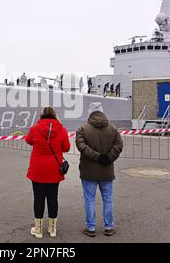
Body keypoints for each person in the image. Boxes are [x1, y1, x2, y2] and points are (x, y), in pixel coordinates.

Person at [75, 102, 123, 237]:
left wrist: (97, 157)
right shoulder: (113, 129)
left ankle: (90, 227)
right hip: (107, 171)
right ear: (102, 112)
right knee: (107, 198)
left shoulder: (82, 129)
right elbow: (119, 145)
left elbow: (81, 146)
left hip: (88, 171)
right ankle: (109, 226)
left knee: (89, 199)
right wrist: (107, 158)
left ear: (90, 112)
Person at [25, 107, 71, 238]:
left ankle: (38, 230)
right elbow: (66, 148)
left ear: (41, 116)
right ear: (55, 116)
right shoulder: (61, 129)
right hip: (54, 170)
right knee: (53, 199)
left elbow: (28, 141)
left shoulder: (35, 129)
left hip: (38, 169)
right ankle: (52, 229)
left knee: (38, 199)